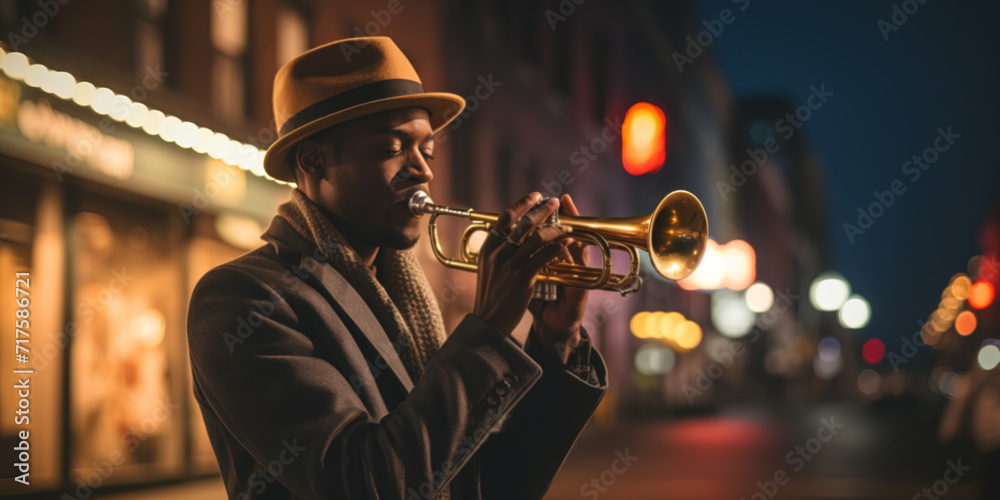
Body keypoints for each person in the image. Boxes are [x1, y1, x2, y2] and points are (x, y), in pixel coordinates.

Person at [186, 37, 608, 500]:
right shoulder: (241, 299)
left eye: (428, 150)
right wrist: (487, 329)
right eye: (392, 147)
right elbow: (361, 482)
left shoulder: (405, 295)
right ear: (313, 160)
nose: (423, 170)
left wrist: (556, 339)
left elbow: (489, 484)